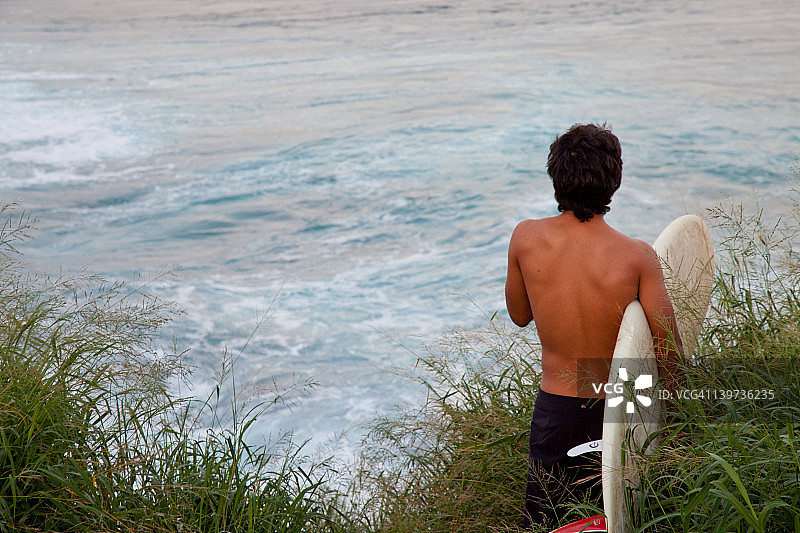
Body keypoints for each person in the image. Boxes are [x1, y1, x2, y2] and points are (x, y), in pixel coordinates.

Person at [505, 123, 683, 529]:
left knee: (549, 522)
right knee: (615, 520)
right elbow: (668, 352)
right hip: (621, 411)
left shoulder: (525, 238)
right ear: (614, 181)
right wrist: (672, 418)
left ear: (556, 177)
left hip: (556, 411)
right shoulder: (638, 257)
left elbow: (519, 314)